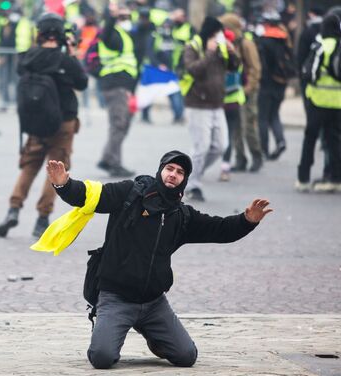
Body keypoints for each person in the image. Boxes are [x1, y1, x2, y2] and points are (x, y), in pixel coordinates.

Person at [45, 150, 272, 369]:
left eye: (180, 172)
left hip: (154, 303)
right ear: (160, 171)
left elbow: (220, 229)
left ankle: (155, 337)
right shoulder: (129, 193)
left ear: (184, 180)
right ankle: (109, 326)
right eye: (169, 168)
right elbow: (89, 195)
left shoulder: (183, 215)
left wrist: (247, 221)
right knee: (102, 358)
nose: (173, 174)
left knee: (186, 356)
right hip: (116, 298)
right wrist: (63, 185)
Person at [0, 12, 88, 238]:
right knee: (56, 171)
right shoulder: (64, 59)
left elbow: (21, 72)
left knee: (29, 166)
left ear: (40, 33)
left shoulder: (28, 57)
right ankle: (42, 218)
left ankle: (13, 209)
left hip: (36, 122)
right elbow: (82, 83)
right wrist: (72, 54)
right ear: (60, 34)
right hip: (63, 122)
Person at [181, 16, 239, 201]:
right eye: (216, 33)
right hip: (198, 104)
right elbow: (193, 70)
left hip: (217, 104)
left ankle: (190, 174)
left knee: (220, 146)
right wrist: (210, 53)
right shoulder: (193, 47)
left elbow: (234, 67)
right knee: (202, 147)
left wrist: (231, 52)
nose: (218, 37)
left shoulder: (221, 46)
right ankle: (192, 185)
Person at [296, 13, 341, 193]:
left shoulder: (321, 45)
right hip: (338, 103)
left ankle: (303, 178)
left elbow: (309, 74)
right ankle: (336, 178)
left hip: (318, 102)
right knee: (334, 141)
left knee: (310, 139)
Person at [96, 3, 138, 178]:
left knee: (122, 124)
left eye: (127, 16)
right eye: (122, 17)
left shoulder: (125, 35)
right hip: (115, 86)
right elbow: (106, 32)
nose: (125, 20)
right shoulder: (110, 33)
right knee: (118, 125)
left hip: (123, 87)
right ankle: (114, 163)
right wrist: (112, 16)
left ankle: (108, 158)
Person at [220, 13, 263, 174]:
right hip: (235, 92)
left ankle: (256, 156)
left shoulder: (246, 44)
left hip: (248, 91)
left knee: (248, 126)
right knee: (236, 128)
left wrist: (248, 89)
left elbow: (255, 68)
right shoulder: (230, 43)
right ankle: (240, 159)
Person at [256, 11, 294, 160]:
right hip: (281, 83)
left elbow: (262, 66)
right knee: (275, 114)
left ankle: (264, 150)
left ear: (267, 23)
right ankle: (280, 141)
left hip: (266, 84)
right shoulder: (285, 39)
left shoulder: (263, 40)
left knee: (263, 118)